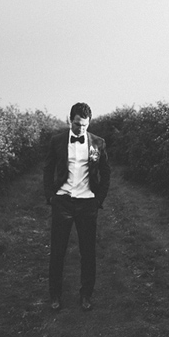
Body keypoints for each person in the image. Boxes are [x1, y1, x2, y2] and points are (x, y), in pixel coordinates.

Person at [43, 102, 111, 311]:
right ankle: (55, 295)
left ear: (89, 123)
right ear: (69, 120)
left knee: (88, 252)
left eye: (84, 125)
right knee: (58, 252)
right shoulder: (57, 141)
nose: (80, 129)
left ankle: (86, 295)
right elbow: (47, 169)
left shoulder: (99, 143)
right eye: (76, 124)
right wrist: (50, 197)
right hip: (63, 201)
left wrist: (98, 200)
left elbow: (106, 172)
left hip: (87, 203)